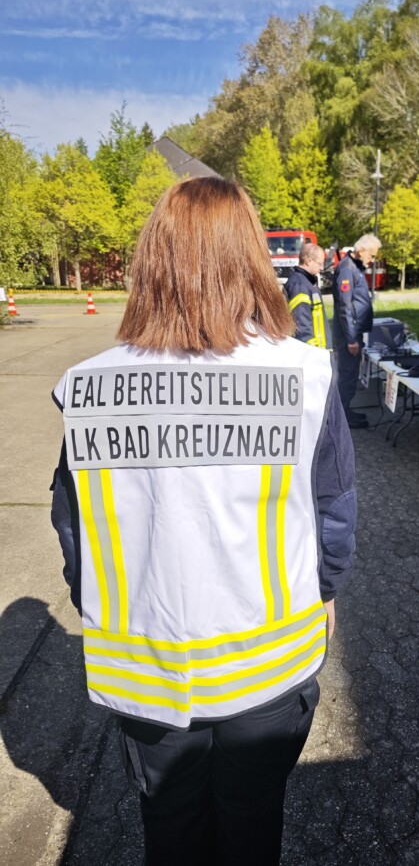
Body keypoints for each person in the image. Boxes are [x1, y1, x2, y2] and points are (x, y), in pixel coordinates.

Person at [50, 177, 357, 865]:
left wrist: (102, 606)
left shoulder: (90, 384)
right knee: (251, 825)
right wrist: (326, 590)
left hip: (147, 663)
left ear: (151, 260)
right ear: (250, 256)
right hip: (267, 662)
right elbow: (333, 509)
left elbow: (72, 528)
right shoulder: (302, 374)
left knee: (171, 826)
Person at [332, 234, 381, 428]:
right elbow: (345, 306)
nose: (372, 260)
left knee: (350, 374)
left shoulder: (354, 267)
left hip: (353, 333)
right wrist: (352, 338)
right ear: (361, 251)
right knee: (347, 375)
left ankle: (346, 410)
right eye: (372, 255)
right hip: (348, 335)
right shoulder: (347, 269)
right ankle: (342, 418)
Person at [284, 242, 331, 348]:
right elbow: (302, 328)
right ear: (309, 261)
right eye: (320, 264)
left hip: (317, 352)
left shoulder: (307, 282)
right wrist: (312, 353)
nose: (321, 268)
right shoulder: (299, 285)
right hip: (311, 354)